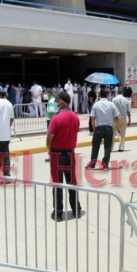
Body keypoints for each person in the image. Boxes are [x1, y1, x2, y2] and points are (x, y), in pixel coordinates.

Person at [47, 92, 82, 221]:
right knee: (72, 183)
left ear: (62, 102)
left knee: (57, 184)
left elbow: (50, 136)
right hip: (70, 153)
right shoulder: (75, 117)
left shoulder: (56, 118)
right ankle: (76, 210)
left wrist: (48, 150)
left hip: (57, 154)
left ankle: (58, 212)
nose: (56, 103)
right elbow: (75, 131)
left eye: (57, 100)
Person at [88, 89, 119, 170]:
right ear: (107, 95)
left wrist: (94, 128)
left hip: (99, 128)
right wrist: (118, 127)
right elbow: (116, 117)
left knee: (95, 147)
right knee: (108, 147)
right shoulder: (111, 104)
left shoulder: (96, 105)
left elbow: (92, 118)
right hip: (109, 128)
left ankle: (92, 165)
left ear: (99, 95)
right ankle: (105, 164)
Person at [112, 87, 132, 151]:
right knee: (122, 134)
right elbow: (128, 112)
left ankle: (111, 147)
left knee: (113, 134)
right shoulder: (126, 100)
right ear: (123, 92)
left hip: (115, 118)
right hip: (123, 118)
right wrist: (129, 120)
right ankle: (121, 147)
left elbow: (112, 109)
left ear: (117, 92)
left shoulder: (114, 99)